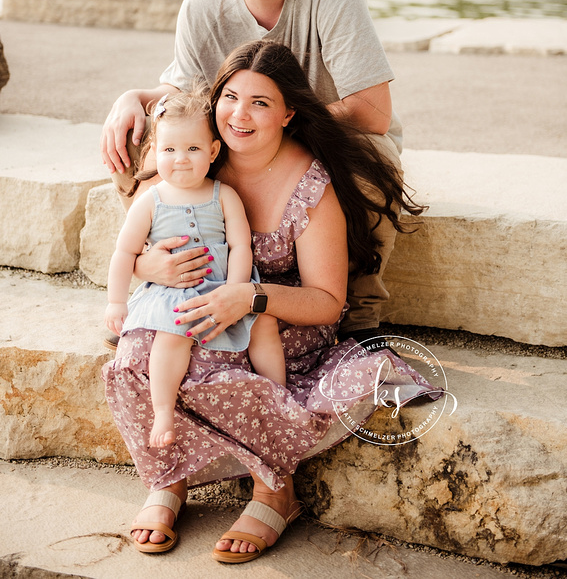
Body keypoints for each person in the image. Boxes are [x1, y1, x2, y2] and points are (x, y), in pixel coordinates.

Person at [102, 40, 440, 563]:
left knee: (221, 367)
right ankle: (168, 477)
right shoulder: (195, 151)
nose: (239, 114)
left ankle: (273, 487)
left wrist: (249, 297)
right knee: (133, 357)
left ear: (287, 114)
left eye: (259, 102)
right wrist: (148, 265)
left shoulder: (309, 186)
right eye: (230, 96)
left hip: (277, 318)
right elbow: (138, 233)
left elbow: (327, 302)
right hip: (190, 303)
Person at [100, 0, 403, 343]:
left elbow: (372, 110)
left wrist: (282, 129)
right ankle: (160, 263)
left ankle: (360, 311)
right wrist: (134, 98)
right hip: (244, 133)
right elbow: (185, 94)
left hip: (332, 135)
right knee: (145, 145)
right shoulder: (202, 1)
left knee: (367, 173)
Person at [104, 88, 285, 450]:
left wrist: (235, 289)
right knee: (173, 334)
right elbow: (124, 252)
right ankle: (164, 410)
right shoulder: (150, 201)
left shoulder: (223, 195)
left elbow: (240, 246)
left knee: (264, 323)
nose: (181, 160)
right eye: (169, 150)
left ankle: (278, 397)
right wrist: (116, 303)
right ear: (155, 149)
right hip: (176, 292)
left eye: (193, 149)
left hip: (226, 285)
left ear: (213, 151)